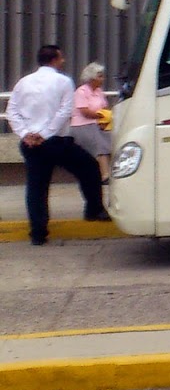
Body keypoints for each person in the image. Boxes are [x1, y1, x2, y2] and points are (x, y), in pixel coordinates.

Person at [5, 45, 110, 245]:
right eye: (61, 58)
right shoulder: (63, 81)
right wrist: (44, 134)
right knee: (89, 167)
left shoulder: (23, 82)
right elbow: (64, 111)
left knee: (36, 187)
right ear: (54, 60)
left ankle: (38, 233)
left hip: (31, 143)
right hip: (56, 141)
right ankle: (94, 209)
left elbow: (12, 112)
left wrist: (26, 134)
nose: (63, 61)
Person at [70, 62, 113, 184]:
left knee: (106, 144)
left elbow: (104, 107)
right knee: (100, 146)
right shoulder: (81, 91)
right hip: (82, 125)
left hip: (98, 124)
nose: (103, 79)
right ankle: (104, 175)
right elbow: (84, 111)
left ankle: (104, 174)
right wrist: (101, 116)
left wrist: (104, 118)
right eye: (100, 76)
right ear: (92, 78)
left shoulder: (99, 91)